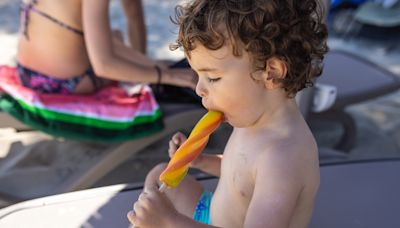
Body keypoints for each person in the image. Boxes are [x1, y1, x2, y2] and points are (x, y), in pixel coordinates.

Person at [127, 0, 328, 227]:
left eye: (212, 78)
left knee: (159, 210)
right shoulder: (252, 118)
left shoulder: (284, 158)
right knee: (158, 176)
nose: (199, 89)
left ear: (271, 73)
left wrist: (169, 220)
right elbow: (241, 174)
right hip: (210, 214)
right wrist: (202, 161)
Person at [17, 0, 196, 95]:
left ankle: (153, 65)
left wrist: (145, 66)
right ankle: (157, 68)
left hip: (26, 73)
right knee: (113, 41)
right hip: (65, 84)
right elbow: (104, 66)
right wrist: (166, 76)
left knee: (111, 37)